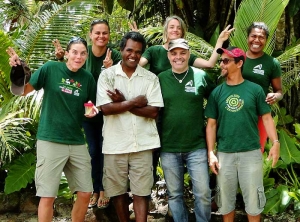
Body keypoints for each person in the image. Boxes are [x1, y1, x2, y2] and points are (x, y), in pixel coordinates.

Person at [7, 37, 98, 222]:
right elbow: (23, 91)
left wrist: (91, 111)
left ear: (86, 56)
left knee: (85, 192)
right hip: (50, 140)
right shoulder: (51, 69)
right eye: (74, 52)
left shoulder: (87, 78)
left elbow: (89, 104)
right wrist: (18, 71)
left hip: (76, 141)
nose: (78, 57)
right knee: (48, 195)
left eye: (82, 53)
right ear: (66, 53)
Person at [205, 46, 280, 222]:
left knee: (254, 202)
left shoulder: (255, 90)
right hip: (224, 154)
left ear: (239, 63)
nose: (221, 65)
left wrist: (275, 143)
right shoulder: (217, 93)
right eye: (221, 60)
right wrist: (211, 153)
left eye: (226, 61)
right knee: (225, 203)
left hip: (251, 153)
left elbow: (267, 119)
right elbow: (211, 125)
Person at [53, 19, 122, 209]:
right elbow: (72, 75)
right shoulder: (84, 54)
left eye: (105, 33)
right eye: (97, 33)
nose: (101, 36)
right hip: (89, 110)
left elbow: (123, 83)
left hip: (110, 110)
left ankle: (106, 189)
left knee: (107, 151)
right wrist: (61, 59)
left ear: (109, 35)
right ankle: (95, 189)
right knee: (93, 151)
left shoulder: (114, 55)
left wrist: (110, 70)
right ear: (90, 35)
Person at [96, 31, 164, 222]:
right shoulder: (107, 76)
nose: (133, 55)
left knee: (141, 192)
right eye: (129, 50)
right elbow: (107, 109)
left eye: (138, 52)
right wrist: (134, 102)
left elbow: (153, 112)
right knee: (117, 191)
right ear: (121, 50)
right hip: (114, 143)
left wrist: (123, 102)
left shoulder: (150, 78)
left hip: (142, 143)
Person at [158, 38, 215, 222]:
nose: (178, 57)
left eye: (182, 53)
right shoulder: (160, 79)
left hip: (197, 146)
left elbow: (216, 102)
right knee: (175, 195)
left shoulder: (201, 76)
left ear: (189, 55)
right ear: (168, 56)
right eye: (174, 53)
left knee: (203, 194)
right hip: (169, 146)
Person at [139, 15, 234, 75]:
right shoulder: (154, 50)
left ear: (182, 33)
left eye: (178, 28)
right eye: (171, 27)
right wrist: (136, 41)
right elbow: (137, 64)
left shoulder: (185, 56)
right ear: (166, 31)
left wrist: (220, 40)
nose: (175, 30)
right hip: (156, 100)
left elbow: (210, 64)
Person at [243, 22, 283, 152]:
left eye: (261, 37)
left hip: (260, 116)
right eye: (253, 36)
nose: (256, 40)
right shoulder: (237, 59)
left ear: (266, 40)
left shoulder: (272, 63)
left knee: (255, 154)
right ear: (247, 37)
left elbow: (279, 91)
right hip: (236, 113)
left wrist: (275, 96)